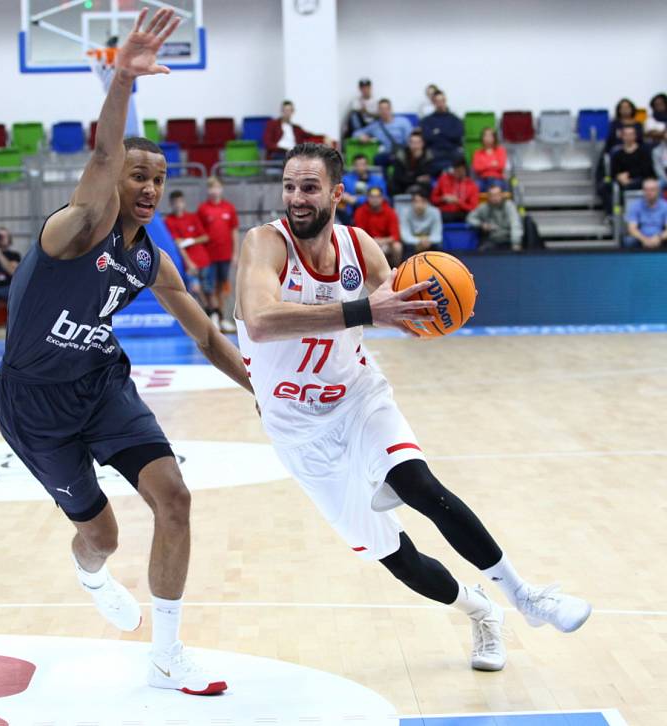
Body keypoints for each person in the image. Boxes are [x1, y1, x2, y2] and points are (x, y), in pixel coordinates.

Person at [235, 142, 592, 675]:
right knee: (397, 558)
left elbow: (403, 311)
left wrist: (436, 309)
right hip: (297, 431)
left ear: (336, 192)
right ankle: (481, 610)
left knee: (419, 485)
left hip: (358, 398)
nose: (296, 198)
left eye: (309, 187)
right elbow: (260, 320)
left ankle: (526, 597)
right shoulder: (264, 244)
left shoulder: (360, 248)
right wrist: (364, 309)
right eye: (289, 186)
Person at [0, 10, 250, 696]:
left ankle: (167, 653)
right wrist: (123, 81)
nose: (146, 186)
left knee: (175, 497)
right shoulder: (72, 232)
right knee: (101, 535)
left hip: (101, 384)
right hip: (33, 403)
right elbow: (104, 156)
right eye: (137, 173)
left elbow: (205, 334)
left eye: (157, 179)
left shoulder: (149, 260)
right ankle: (90, 571)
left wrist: (259, 387)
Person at [197, 176, 239, 332]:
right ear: (208, 190)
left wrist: (235, 253)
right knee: (209, 287)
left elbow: (234, 231)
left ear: (221, 189)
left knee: (222, 287)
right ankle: (213, 316)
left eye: (217, 187)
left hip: (225, 255)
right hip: (208, 256)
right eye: (211, 188)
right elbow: (199, 233)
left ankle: (220, 317)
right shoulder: (203, 209)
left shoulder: (229, 208)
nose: (214, 191)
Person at [164, 189, 214, 309]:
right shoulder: (169, 221)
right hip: (188, 263)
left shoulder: (192, 217)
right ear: (171, 204)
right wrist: (189, 263)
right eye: (175, 202)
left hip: (203, 261)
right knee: (195, 290)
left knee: (209, 290)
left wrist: (191, 240)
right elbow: (178, 244)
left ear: (184, 202)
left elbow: (205, 237)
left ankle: (215, 316)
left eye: (180, 202)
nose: (178, 205)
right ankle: (206, 313)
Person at [354, 99, 412, 169]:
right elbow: (356, 133)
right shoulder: (375, 126)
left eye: (386, 108)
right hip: (387, 154)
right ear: (378, 111)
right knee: (378, 158)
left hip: (404, 152)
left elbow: (410, 139)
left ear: (391, 109)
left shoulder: (403, 122)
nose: (384, 111)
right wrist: (361, 136)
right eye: (381, 109)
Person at [353, 186, 401, 266]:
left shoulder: (390, 212)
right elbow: (358, 234)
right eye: (372, 197)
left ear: (382, 198)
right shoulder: (360, 212)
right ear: (367, 198)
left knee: (397, 247)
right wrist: (372, 241)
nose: (375, 199)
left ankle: (396, 269)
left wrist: (381, 241)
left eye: (378, 197)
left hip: (385, 243)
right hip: (367, 243)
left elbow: (395, 236)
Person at [467, 184, 523, 251]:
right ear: (488, 197)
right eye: (492, 195)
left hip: (509, 239)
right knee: (482, 250)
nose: (495, 198)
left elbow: (515, 224)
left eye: (497, 195)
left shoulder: (509, 206)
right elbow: (470, 218)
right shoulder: (484, 207)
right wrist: (481, 225)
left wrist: (516, 243)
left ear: (502, 195)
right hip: (492, 239)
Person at [421, 91, 464, 174]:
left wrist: (438, 132)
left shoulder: (455, 119)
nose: (440, 104)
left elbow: (457, 135)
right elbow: (427, 137)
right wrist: (447, 133)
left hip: (452, 150)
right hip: (435, 151)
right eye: (437, 101)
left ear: (445, 101)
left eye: (442, 101)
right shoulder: (427, 120)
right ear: (433, 103)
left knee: (460, 159)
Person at [340, 154, 387, 223]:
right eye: (357, 165)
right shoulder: (346, 179)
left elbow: (384, 197)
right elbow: (340, 194)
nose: (360, 167)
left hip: (372, 211)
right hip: (349, 213)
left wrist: (357, 200)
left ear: (367, 165)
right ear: (353, 166)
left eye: (363, 164)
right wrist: (344, 197)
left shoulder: (378, 180)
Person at [431, 156, 479, 223]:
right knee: (435, 214)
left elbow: (473, 208)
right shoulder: (444, 179)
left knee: (471, 217)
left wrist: (458, 202)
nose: (456, 173)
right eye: (455, 170)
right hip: (445, 212)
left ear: (465, 170)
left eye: (459, 171)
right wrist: (442, 199)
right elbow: (433, 199)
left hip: (462, 213)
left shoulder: (472, 185)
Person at [610, 125, 655, 196]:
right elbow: (614, 172)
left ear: (635, 136)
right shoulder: (617, 153)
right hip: (622, 180)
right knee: (606, 187)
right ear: (622, 136)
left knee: (631, 186)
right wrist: (619, 177)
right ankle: (615, 207)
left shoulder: (644, 151)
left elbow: (647, 171)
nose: (628, 137)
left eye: (631, 134)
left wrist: (629, 176)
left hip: (640, 179)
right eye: (626, 134)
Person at [624, 177, 667, 249]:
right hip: (641, 238)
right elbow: (632, 229)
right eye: (646, 190)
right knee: (628, 241)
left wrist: (659, 238)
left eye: (652, 190)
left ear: (658, 191)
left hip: (659, 237)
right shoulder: (635, 206)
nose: (649, 192)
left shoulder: (665, 206)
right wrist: (644, 239)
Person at [389, 131, 434, 196]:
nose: (415, 145)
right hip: (403, 184)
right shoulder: (401, 155)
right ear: (408, 143)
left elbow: (425, 175)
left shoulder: (428, 156)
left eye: (417, 142)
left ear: (422, 143)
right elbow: (398, 176)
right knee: (392, 184)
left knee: (426, 185)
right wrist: (415, 179)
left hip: (419, 185)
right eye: (412, 142)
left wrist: (419, 158)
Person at [400, 186, 442, 254]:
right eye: (416, 201)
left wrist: (427, 241)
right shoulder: (405, 212)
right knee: (405, 247)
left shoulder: (435, 212)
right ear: (412, 202)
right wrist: (419, 241)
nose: (419, 205)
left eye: (422, 201)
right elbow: (405, 236)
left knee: (438, 246)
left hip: (430, 244)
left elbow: (437, 236)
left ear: (427, 202)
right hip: (412, 245)